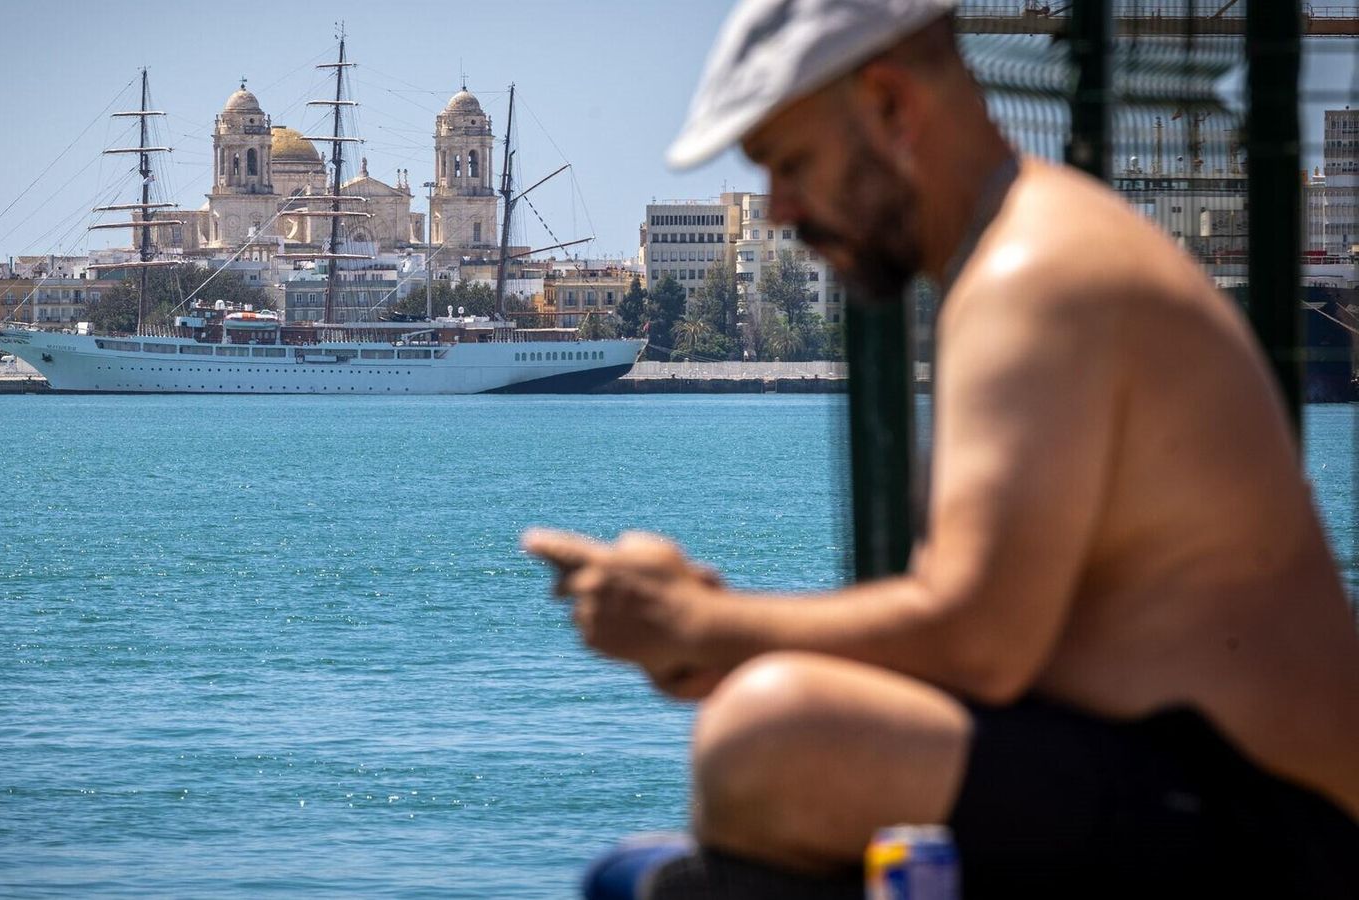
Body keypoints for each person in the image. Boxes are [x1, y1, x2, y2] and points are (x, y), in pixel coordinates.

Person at [524, 0, 1359, 896]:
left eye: (793, 164)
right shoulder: (1024, 254)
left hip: (1268, 831)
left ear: (889, 105)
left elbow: (979, 639)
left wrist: (697, 625)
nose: (781, 212)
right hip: (1194, 792)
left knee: (772, 739)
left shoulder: (1035, 274)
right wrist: (721, 630)